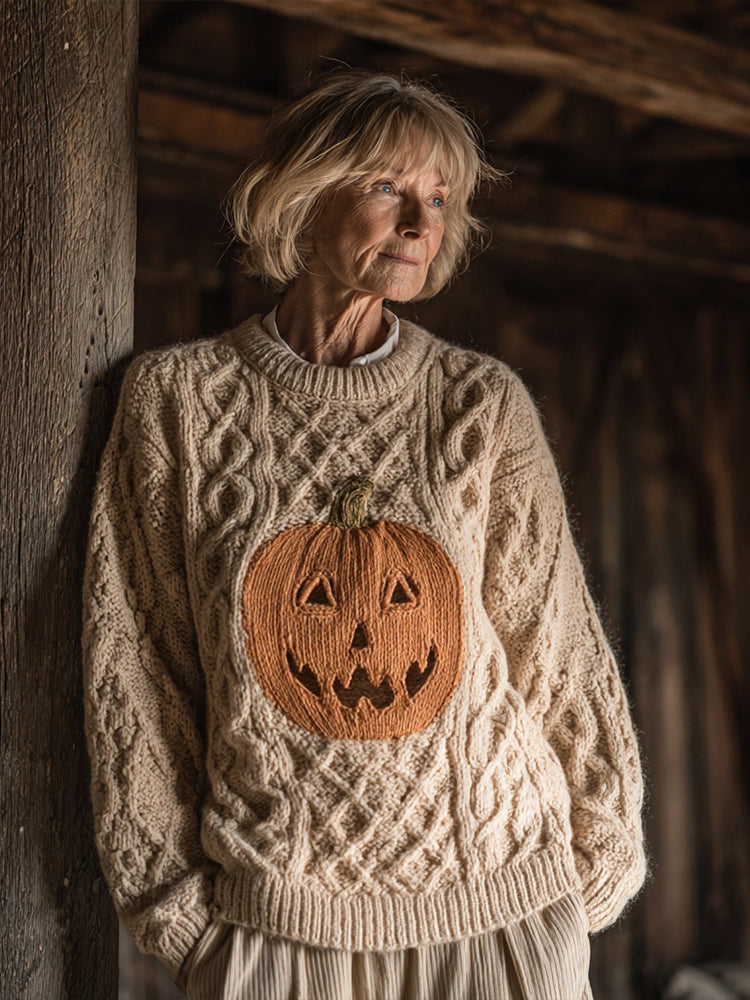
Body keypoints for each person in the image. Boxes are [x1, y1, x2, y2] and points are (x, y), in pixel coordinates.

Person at [81, 69, 650, 1000]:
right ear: (303, 199)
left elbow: (555, 644)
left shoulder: (480, 405)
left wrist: (593, 866)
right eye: (390, 188)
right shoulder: (178, 402)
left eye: (438, 198)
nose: (423, 224)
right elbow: (136, 654)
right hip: (276, 927)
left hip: (501, 915)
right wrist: (175, 905)